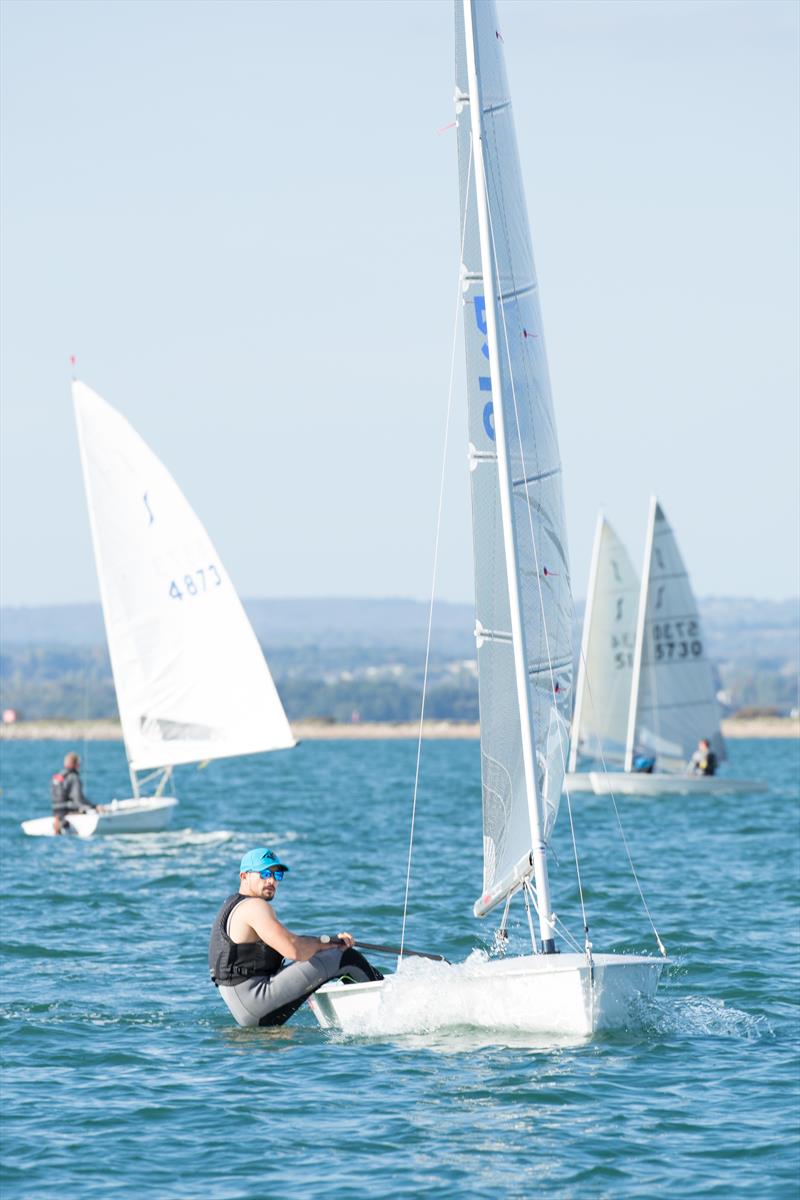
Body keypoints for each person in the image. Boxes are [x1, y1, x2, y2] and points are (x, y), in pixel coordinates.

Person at [209, 847, 383, 1027]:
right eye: (265, 874)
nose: (271, 881)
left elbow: (291, 944)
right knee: (346, 956)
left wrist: (326, 943)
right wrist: (331, 942)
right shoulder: (254, 906)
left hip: (246, 1007)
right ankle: (388, 1006)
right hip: (256, 1002)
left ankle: (361, 1009)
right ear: (243, 876)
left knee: (328, 957)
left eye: (277, 876)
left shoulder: (233, 905)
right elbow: (294, 950)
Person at [51, 751, 100, 835]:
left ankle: (58, 822)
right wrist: (94, 807)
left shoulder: (58, 777)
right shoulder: (73, 777)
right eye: (78, 764)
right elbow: (78, 799)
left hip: (56, 811)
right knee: (93, 811)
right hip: (68, 810)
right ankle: (62, 824)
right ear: (75, 764)